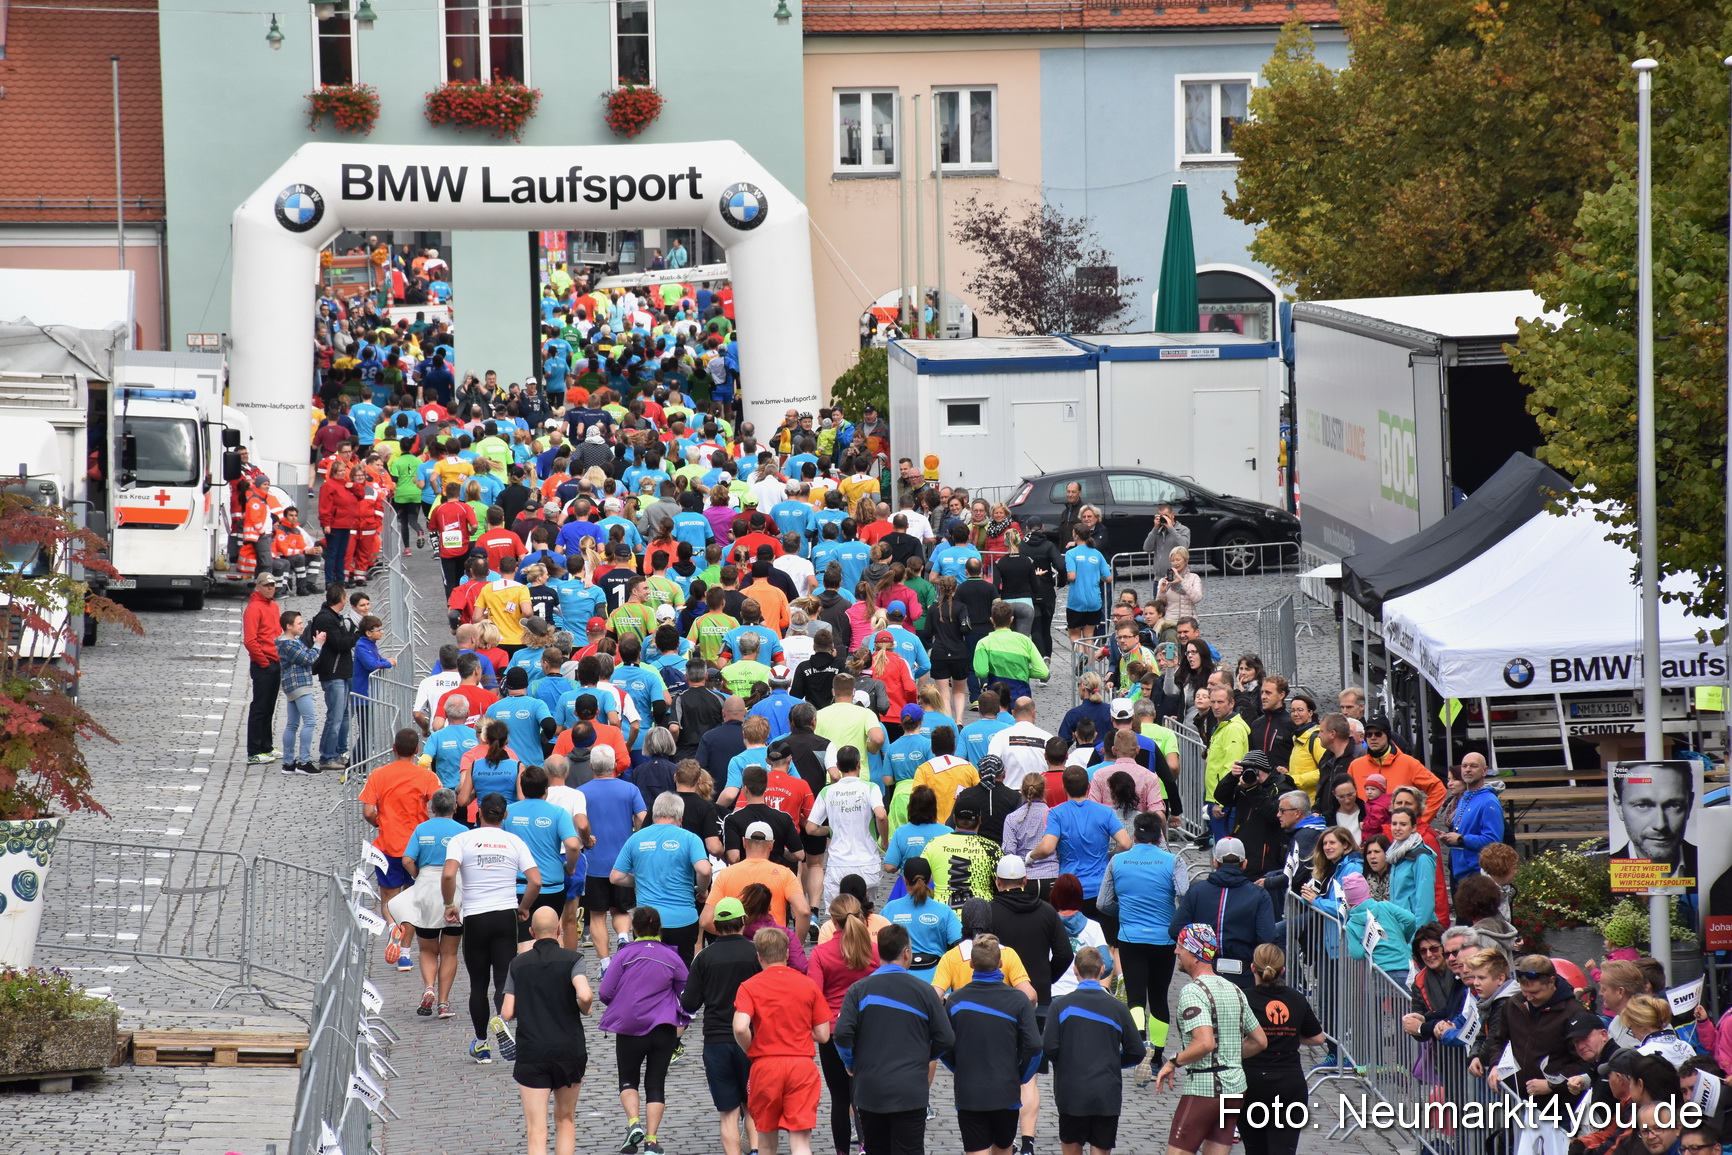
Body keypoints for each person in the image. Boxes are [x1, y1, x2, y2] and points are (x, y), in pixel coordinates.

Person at [834, 923, 957, 1155]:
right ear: (907, 953)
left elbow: (841, 1034)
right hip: (910, 1090)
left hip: (871, 1088)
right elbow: (946, 1039)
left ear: (879, 953)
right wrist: (923, 1056)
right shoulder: (924, 992)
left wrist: (851, 1063)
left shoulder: (859, 990)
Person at [442, 792, 541, 1064]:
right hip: (505, 915)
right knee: (503, 980)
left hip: (474, 917)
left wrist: (449, 903)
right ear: (505, 815)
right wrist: (524, 907)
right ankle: (503, 1023)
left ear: (478, 813)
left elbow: (449, 873)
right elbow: (535, 880)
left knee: (477, 983)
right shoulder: (514, 841)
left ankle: (482, 1043)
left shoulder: (461, 839)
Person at [1154, 924, 1267, 1155]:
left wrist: (1174, 1061)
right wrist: (1231, 1054)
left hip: (1206, 1088)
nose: (1176, 952)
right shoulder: (1234, 989)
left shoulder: (1193, 992)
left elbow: (1204, 1043)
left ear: (1195, 955)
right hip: (1235, 1088)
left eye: (1181, 947)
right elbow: (1260, 1041)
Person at [500, 906, 594, 1155]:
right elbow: (585, 993)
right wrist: (584, 1007)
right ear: (560, 929)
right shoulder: (573, 960)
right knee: (565, 1120)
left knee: (536, 1130)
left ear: (531, 932)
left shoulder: (517, 964)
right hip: (568, 1049)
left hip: (532, 1052)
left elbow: (507, 1012)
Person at [596, 905, 689, 1155]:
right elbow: (686, 993)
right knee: (656, 1083)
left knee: (628, 1079)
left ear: (634, 929)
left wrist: (621, 1002)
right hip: (663, 1029)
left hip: (629, 1028)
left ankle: (633, 1123)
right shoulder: (672, 957)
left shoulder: (624, 955)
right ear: (659, 929)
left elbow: (605, 992)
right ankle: (651, 1141)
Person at [942, 933, 1045, 1155]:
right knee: (1003, 1148)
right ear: (1000, 963)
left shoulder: (955, 1001)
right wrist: (1021, 1075)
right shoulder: (1018, 1000)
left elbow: (942, 1044)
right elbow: (1035, 1047)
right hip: (1005, 1091)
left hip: (969, 1092)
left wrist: (958, 1067)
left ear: (971, 964)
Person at [734, 927, 833, 1155]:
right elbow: (824, 1034)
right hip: (801, 1066)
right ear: (787, 954)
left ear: (759, 956)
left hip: (766, 1067)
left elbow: (740, 1027)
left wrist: (752, 1047)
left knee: (766, 1144)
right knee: (800, 1143)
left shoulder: (749, 987)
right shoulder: (808, 985)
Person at [1099, 811, 1183, 1075]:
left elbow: (1103, 902)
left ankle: (1137, 1046)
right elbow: (1184, 895)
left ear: (1134, 835)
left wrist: (1122, 912)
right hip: (1163, 939)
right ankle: (1157, 1055)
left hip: (1131, 937)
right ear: (1160, 837)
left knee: (1135, 998)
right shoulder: (1173, 860)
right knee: (1159, 996)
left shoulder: (1117, 861)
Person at [679, 896, 762, 1155]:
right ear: (743, 921)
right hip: (751, 1040)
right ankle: (758, 1151)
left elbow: (690, 1004)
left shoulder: (704, 958)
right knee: (754, 1106)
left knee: (728, 1112)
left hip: (716, 1042)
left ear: (716, 925)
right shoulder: (755, 953)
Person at [1044, 946, 1145, 1155]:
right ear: (1102, 971)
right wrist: (1113, 1059)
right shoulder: (1118, 1008)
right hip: (1106, 1093)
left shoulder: (1059, 1006)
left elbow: (1049, 1048)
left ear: (1074, 970)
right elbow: (1136, 1051)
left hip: (1071, 1092)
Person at [808, 895, 881, 1155]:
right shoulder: (874, 950)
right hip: (870, 1031)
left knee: (840, 1099)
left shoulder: (820, 953)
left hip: (833, 1032)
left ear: (833, 920)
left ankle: (842, 1152)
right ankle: (869, 1146)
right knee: (870, 1096)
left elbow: (814, 995)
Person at [1240, 944, 1325, 1155]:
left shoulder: (1243, 998)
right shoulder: (1296, 998)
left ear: (1252, 968)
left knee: (1254, 1150)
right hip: (1289, 1082)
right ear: (1283, 970)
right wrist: (1288, 1033)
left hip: (1252, 1080)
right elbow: (1318, 1038)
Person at [611, 792, 712, 963]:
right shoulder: (690, 838)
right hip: (682, 920)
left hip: (646, 922)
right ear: (680, 816)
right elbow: (704, 870)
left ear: (655, 813)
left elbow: (616, 877)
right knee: (682, 970)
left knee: (648, 971)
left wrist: (641, 880)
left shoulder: (636, 838)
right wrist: (702, 890)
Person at [1168, 837, 1277, 992]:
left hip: (1205, 972)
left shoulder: (1197, 891)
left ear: (1215, 863)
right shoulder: (1259, 895)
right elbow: (1267, 938)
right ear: (1244, 864)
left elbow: (1175, 930)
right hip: (1244, 975)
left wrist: (1197, 953)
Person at [1348, 714, 1446, 825]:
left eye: (1378, 734)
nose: (1373, 738)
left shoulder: (1408, 763)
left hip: (1399, 834)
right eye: (1369, 734)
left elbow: (1438, 789)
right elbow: (1346, 799)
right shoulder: (1355, 765)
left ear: (1388, 735)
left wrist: (1420, 822)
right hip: (1366, 834)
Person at [1609, 760, 1696, 880]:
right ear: (1619, 806)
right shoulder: (1602, 875)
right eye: (1642, 805)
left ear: (1690, 805)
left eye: (1674, 805)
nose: (1660, 825)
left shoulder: (1709, 866)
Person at [880, 857, 963, 980]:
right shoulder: (944, 911)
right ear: (930, 879)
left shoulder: (889, 909)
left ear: (904, 880)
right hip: (937, 981)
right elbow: (960, 945)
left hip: (897, 979)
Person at [1441, 750, 1503, 886]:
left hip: (1477, 874)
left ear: (1484, 771)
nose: (1468, 770)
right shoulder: (1464, 798)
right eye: (1464, 766)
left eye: (1473, 766)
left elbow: (1493, 841)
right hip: (1460, 873)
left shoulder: (1488, 801)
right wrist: (1449, 839)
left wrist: (1461, 839)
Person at [243, 573, 284, 765]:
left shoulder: (273, 606)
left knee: (269, 707)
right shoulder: (253, 608)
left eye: (273, 585)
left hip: (274, 662)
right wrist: (264, 662)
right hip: (264, 663)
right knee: (259, 707)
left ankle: (266, 746)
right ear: (258, 586)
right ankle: (254, 749)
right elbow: (250, 641)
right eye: (267, 585)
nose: (270, 588)